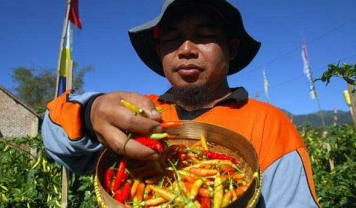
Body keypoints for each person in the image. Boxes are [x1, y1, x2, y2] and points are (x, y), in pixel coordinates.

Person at [42, 0, 320, 207]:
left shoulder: (267, 124)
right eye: (173, 39)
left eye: (204, 35)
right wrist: (92, 113)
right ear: (160, 52)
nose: (186, 49)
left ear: (231, 48)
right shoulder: (139, 114)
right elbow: (53, 129)